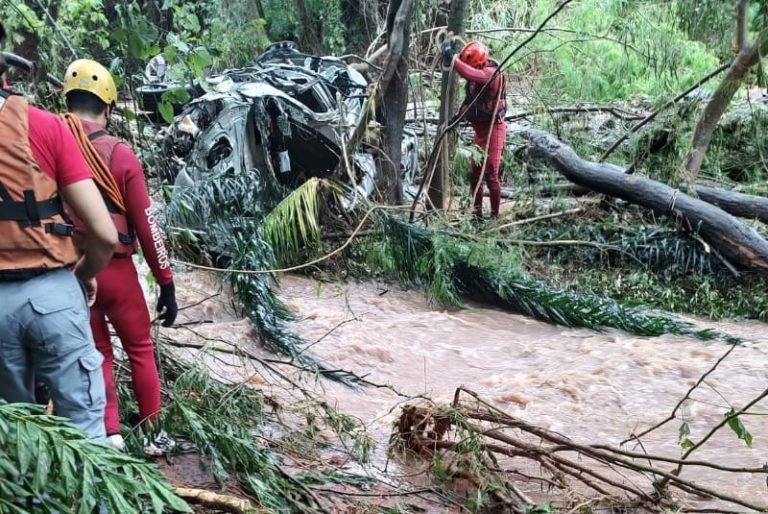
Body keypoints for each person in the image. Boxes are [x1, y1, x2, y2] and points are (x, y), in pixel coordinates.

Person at [0, 22, 118, 439]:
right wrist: (83, 276)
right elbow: (105, 233)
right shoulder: (47, 127)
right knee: (84, 430)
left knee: (20, 437)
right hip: (51, 293)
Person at [62, 59, 178, 455]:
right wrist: (166, 282)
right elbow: (147, 224)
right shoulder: (119, 153)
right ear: (108, 107)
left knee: (98, 352)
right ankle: (152, 433)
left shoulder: (53, 143)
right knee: (140, 348)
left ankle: (109, 433)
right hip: (118, 268)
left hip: (73, 270)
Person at [443, 40, 507, 219]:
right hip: (479, 133)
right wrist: (455, 119)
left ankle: (495, 217)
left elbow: (470, 73)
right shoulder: (473, 81)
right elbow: (470, 103)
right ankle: (477, 214)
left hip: (494, 130)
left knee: (491, 175)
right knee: (475, 175)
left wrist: (452, 59)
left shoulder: (490, 73)